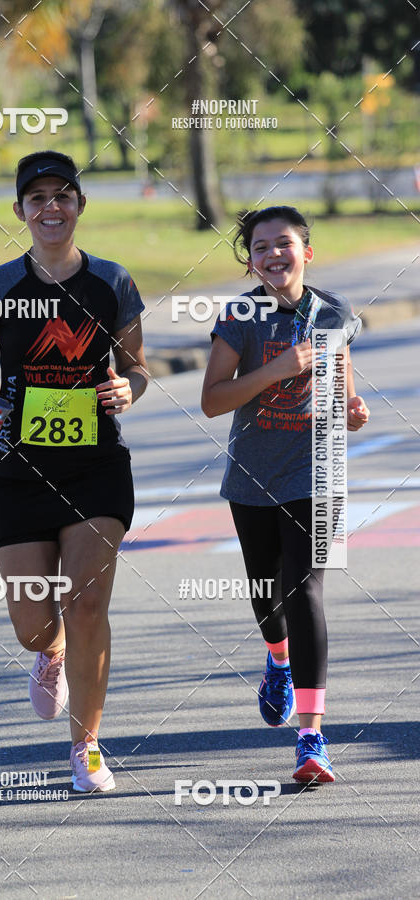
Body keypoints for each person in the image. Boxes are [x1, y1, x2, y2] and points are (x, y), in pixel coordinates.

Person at [0, 151, 148, 792]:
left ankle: (86, 747)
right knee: (34, 623)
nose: (51, 207)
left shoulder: (112, 282)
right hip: (15, 468)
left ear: (80, 206)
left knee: (89, 602)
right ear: (20, 212)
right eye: (37, 198)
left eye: (63, 196)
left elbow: (137, 365)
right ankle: (50, 653)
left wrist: (130, 388)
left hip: (96, 467)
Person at [201, 206, 369, 783]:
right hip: (252, 477)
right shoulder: (239, 316)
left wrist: (351, 404)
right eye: (262, 246)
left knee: (307, 592)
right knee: (267, 592)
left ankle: (312, 737)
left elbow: (341, 370)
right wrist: (274, 371)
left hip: (318, 474)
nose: (274, 253)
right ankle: (277, 659)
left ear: (307, 252)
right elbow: (213, 399)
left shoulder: (334, 312)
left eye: (285, 243)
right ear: (251, 260)